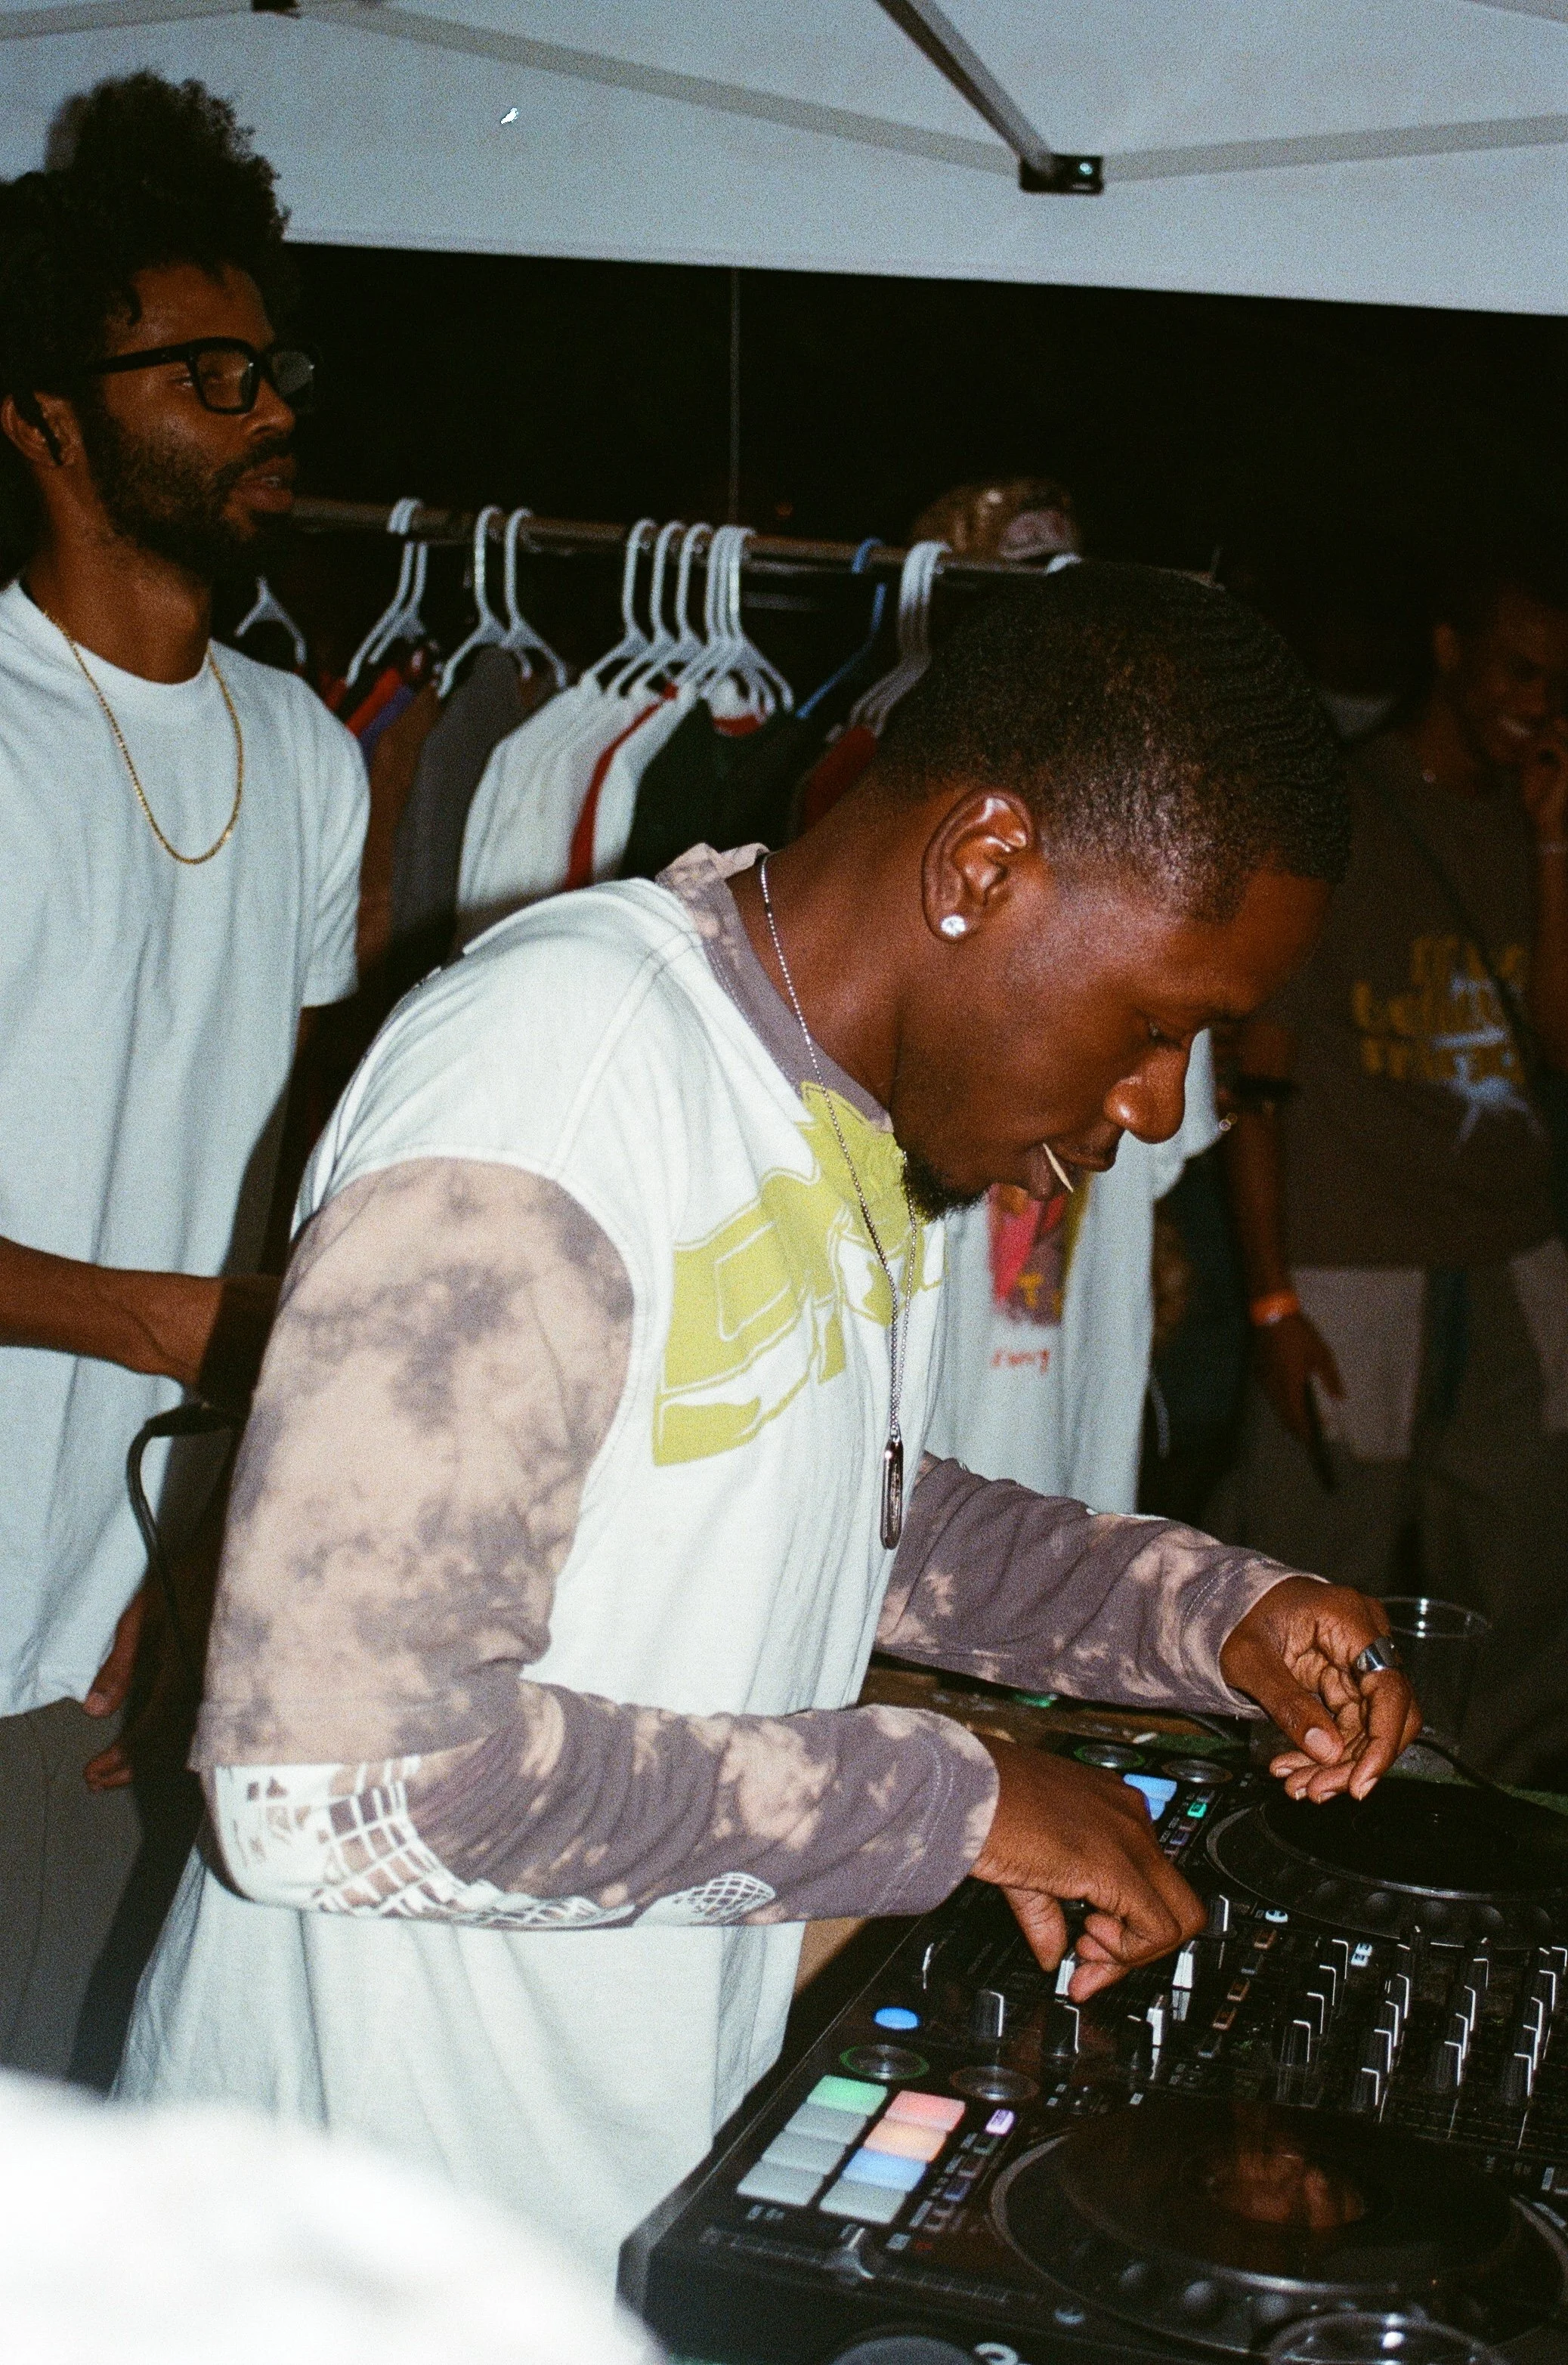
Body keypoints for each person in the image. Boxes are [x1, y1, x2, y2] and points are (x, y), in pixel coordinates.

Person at [120, 567, 1418, 2286]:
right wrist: (950, 1801)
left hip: (588, 2205)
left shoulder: (844, 1118)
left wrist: (1197, 1611)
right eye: (1155, 1021)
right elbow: (332, 1779)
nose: (1155, 1105)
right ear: (981, 867)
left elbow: (823, 1503)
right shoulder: (551, 1078)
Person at [0, 75, 368, 2078]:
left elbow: (291, 1172)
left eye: (272, 363)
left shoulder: (306, 748)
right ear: (44, 416)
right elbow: (200, 1289)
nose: (268, 408)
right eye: (205, 373)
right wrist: (164, 1327)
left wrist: (215, 1515)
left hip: (141, 1618)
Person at [1220, 544, 1568, 1781]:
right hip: (1352, 1255)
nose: (1540, 701)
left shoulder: (1540, 817)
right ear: (1448, 651)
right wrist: (1268, 1297)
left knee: (1528, 1573)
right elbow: (1253, 1081)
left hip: (1513, 1257)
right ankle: (1298, 1820)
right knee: (1322, 1568)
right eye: (1519, 669)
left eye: (1562, 680)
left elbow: (1558, 1038)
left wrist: (1547, 849)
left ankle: (1502, 1821)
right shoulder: (1347, 810)